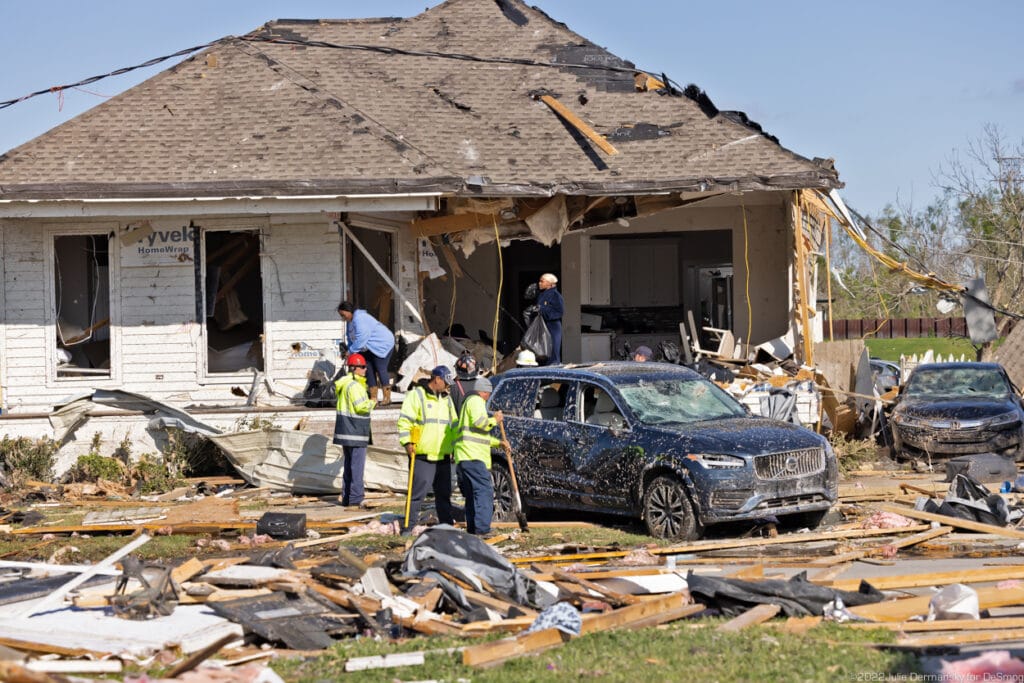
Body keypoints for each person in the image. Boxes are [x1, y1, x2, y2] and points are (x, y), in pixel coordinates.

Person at [396, 365, 458, 534]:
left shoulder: (446, 400)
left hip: (443, 456)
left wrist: (455, 446)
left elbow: (453, 425)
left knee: (444, 496)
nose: (448, 386)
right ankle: (408, 528)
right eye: (446, 382)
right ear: (437, 379)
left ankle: (447, 527)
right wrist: (407, 442)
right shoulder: (416, 396)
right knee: (417, 495)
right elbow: (405, 422)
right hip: (422, 455)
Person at [453, 377, 508, 536]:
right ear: (484, 392)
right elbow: (481, 424)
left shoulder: (467, 403)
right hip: (474, 456)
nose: (488, 397)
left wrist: (498, 443)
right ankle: (483, 529)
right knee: (484, 492)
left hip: (465, 456)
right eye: (488, 394)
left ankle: (473, 528)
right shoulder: (476, 402)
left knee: (472, 495)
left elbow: (479, 435)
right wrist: (495, 420)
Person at [332, 353, 376, 508]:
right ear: (355, 368)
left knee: (349, 466)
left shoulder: (344, 384)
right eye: (363, 367)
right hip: (356, 431)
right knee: (357, 467)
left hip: (346, 431)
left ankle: (346, 497)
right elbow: (361, 407)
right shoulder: (355, 386)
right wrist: (372, 402)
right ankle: (356, 499)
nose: (365, 370)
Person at [337, 301, 395, 404]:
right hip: (368, 347)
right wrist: (349, 350)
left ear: (349, 311)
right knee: (368, 369)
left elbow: (361, 338)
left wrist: (350, 351)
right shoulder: (350, 322)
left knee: (379, 367)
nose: (342, 317)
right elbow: (351, 339)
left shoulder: (360, 319)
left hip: (381, 344)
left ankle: (387, 398)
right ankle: (373, 398)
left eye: (343, 315)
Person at [537, 273, 564, 365]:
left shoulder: (556, 295)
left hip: (553, 326)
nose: (539, 283)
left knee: (552, 351)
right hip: (542, 325)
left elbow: (559, 312)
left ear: (549, 283)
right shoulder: (542, 294)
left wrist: (542, 309)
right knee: (542, 350)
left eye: (542, 281)